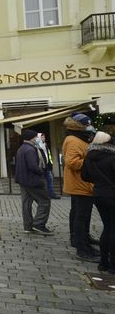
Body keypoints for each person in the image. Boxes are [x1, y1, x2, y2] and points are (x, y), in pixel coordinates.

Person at [63, 113, 100, 263]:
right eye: (87, 124)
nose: (89, 127)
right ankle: (82, 248)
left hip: (82, 183)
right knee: (81, 216)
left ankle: (82, 241)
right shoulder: (73, 140)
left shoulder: (78, 138)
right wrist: (92, 162)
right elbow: (71, 162)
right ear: (79, 126)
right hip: (80, 183)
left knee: (79, 214)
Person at [81, 131, 115, 273]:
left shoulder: (90, 156)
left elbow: (84, 176)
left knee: (107, 227)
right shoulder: (112, 157)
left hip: (99, 194)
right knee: (113, 228)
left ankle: (103, 262)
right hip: (112, 194)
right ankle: (113, 264)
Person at [15, 129, 53, 235]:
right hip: (32, 180)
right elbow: (33, 166)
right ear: (32, 138)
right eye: (36, 137)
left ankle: (28, 226)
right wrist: (41, 171)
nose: (38, 139)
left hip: (23, 180)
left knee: (26, 203)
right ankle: (39, 224)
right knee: (44, 201)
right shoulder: (30, 149)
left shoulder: (21, 148)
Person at [36, 133, 60, 199]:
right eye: (42, 137)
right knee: (42, 182)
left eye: (44, 137)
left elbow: (48, 155)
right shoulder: (37, 146)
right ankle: (43, 195)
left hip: (47, 167)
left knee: (50, 180)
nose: (44, 138)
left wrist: (50, 164)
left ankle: (51, 194)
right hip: (41, 167)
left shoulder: (45, 145)